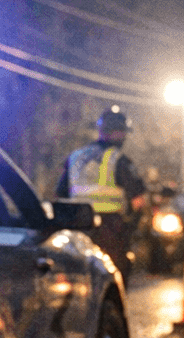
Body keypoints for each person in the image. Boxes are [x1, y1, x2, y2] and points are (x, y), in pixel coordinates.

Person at [56, 107, 146, 278]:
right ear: (118, 133)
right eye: (123, 132)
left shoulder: (75, 157)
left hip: (78, 227)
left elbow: (60, 194)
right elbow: (138, 201)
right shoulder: (119, 160)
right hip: (111, 229)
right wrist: (130, 227)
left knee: (81, 276)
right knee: (113, 277)